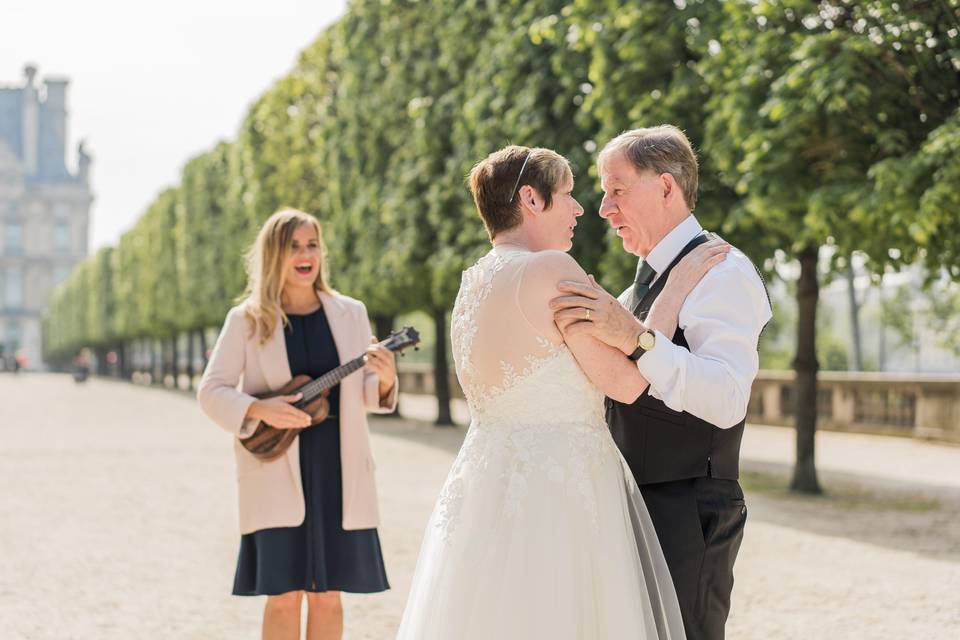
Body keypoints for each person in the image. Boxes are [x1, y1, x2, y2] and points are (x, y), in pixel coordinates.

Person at [397, 146, 729, 639]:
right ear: (531, 198)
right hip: (560, 489)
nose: (580, 209)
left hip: (487, 482)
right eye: (569, 195)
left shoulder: (473, 283)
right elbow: (627, 379)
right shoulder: (551, 270)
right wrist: (676, 285)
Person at [552, 126, 772, 640]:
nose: (604, 208)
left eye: (617, 190)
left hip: (687, 513)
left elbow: (726, 398)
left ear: (667, 187)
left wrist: (637, 339)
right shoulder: (640, 285)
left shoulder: (725, 273)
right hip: (632, 504)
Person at [197, 209, 399, 640]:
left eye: (312, 245)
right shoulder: (247, 320)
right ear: (274, 255)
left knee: (328, 595)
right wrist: (259, 410)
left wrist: (383, 380)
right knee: (284, 595)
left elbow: (362, 393)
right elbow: (211, 391)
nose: (305, 255)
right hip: (274, 469)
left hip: (339, 472)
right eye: (293, 247)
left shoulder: (351, 313)